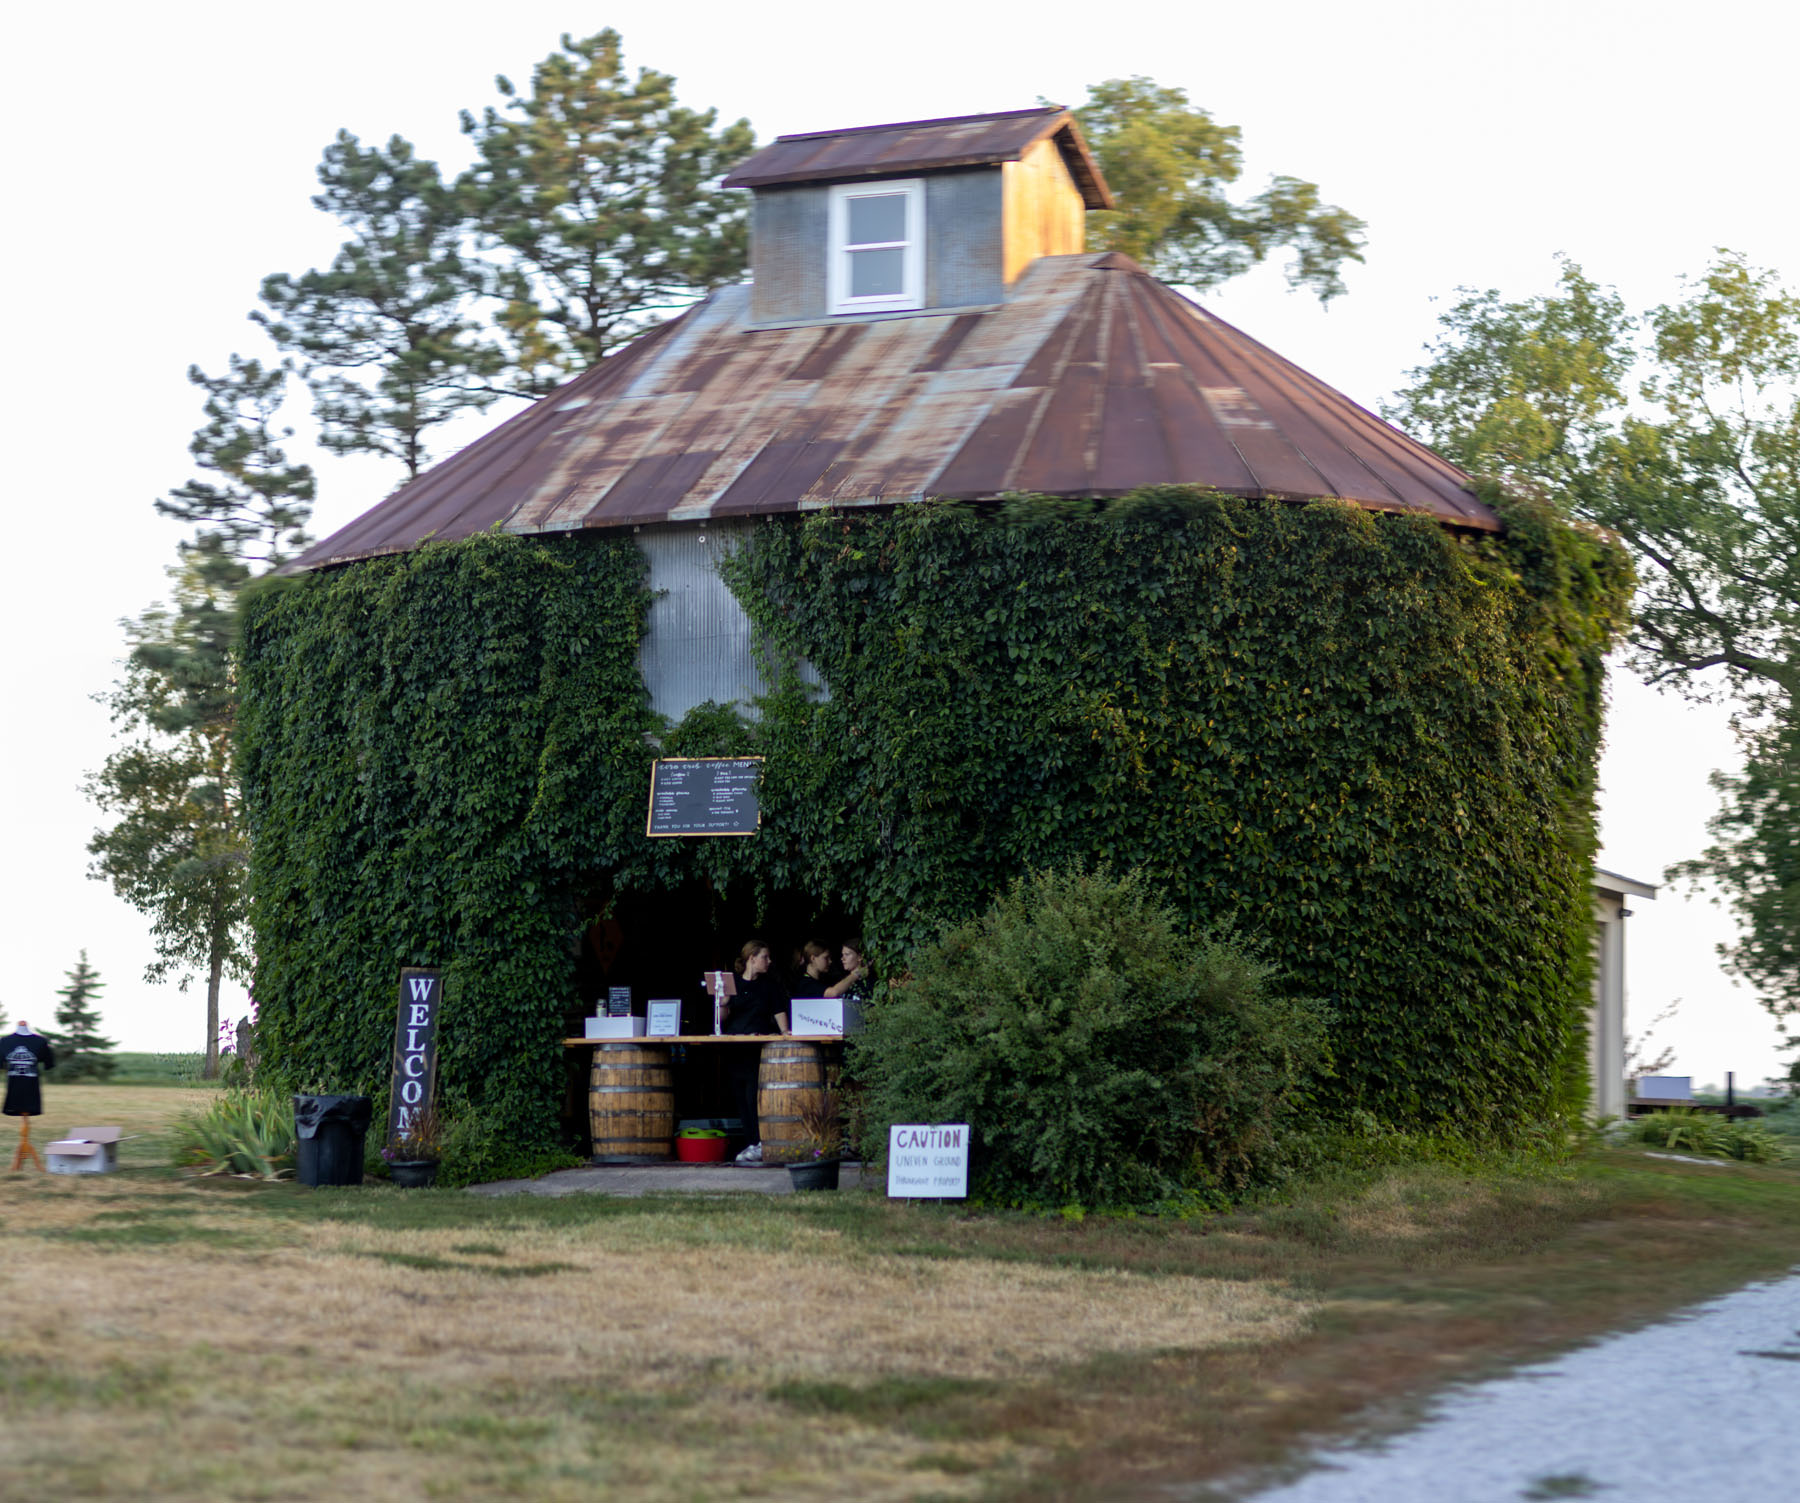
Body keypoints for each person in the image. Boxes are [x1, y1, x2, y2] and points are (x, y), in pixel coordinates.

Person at [721, 939, 788, 1164]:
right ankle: (750, 1143)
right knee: (740, 1096)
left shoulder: (769, 985)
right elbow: (721, 1020)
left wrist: (785, 1031)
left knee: (753, 1097)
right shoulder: (733, 984)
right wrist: (722, 1003)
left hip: (757, 1047)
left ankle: (758, 1142)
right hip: (735, 1047)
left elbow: (779, 1011)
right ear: (752, 958)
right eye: (764, 957)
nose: (768, 961)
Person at [5, 1021, 55, 1171]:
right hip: (14, 1089)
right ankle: (21, 1153)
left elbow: (49, 1062)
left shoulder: (40, 1041)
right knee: (22, 1119)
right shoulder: (4, 1042)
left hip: (31, 1090)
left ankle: (24, 1150)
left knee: (26, 1120)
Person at [824, 938, 872, 1006]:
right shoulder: (842, 981)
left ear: (860, 957)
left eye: (847, 954)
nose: (842, 958)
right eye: (842, 955)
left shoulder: (871, 982)